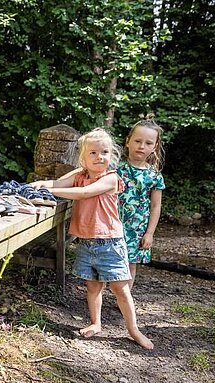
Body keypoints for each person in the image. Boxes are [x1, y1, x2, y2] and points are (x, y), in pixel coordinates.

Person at [30, 128, 153, 350]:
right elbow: (58, 183)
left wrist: (55, 190)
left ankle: (133, 330)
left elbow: (84, 194)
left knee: (120, 289)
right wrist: (38, 185)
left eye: (104, 152)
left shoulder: (111, 178)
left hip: (110, 242)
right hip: (87, 242)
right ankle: (95, 322)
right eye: (93, 153)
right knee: (93, 287)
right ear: (83, 158)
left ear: (112, 155)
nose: (100, 157)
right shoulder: (80, 176)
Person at [117, 119, 165, 289]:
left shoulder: (154, 176)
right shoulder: (115, 169)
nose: (141, 146)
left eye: (148, 143)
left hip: (137, 229)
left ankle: (123, 299)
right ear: (128, 141)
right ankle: (98, 296)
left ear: (154, 147)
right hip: (113, 225)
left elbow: (155, 206)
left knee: (130, 264)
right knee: (107, 261)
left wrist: (150, 233)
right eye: (137, 141)